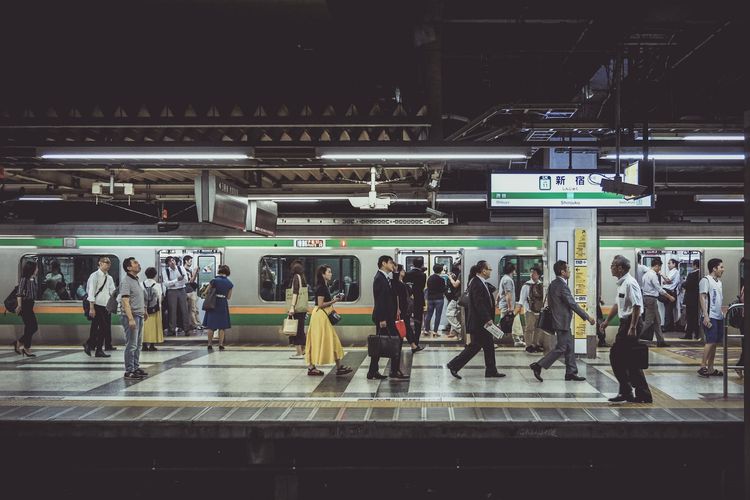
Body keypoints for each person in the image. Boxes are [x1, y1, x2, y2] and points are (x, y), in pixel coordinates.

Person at [529, 261, 595, 382]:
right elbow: (572, 303)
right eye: (568, 269)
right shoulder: (562, 285)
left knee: (569, 347)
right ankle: (538, 365)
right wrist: (587, 317)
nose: (570, 271)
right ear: (562, 272)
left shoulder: (554, 284)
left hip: (560, 320)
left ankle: (571, 372)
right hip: (562, 321)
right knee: (561, 347)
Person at [600, 255, 652, 403]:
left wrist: (633, 327)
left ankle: (633, 392)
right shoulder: (622, 284)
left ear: (620, 268)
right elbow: (618, 305)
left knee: (619, 357)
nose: (611, 268)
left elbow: (637, 306)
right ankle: (634, 392)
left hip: (631, 323)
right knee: (626, 359)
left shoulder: (630, 283)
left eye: (613, 265)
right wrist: (607, 322)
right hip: (626, 323)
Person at [446, 261, 504, 379]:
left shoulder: (480, 282)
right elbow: (479, 303)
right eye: (489, 269)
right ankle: (453, 365)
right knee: (475, 346)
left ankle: (491, 370)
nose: (490, 271)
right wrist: (487, 318)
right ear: (483, 270)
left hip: (481, 322)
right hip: (479, 323)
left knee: (488, 346)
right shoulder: (477, 283)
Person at [305, 265, 352, 376]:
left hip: (321, 316)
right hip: (320, 317)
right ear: (323, 274)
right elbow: (320, 304)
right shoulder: (321, 287)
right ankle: (314, 367)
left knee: (323, 340)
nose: (331, 274)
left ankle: (336, 366)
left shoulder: (324, 286)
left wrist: (333, 298)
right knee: (327, 340)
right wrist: (334, 300)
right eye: (329, 272)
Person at [368, 255, 408, 380]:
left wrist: (395, 271)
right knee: (395, 341)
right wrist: (382, 319)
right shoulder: (379, 279)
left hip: (388, 317)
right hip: (384, 318)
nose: (392, 265)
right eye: (391, 263)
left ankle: (373, 371)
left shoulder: (386, 278)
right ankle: (393, 371)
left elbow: (395, 291)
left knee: (380, 344)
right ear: (383, 263)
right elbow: (380, 300)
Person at [120, 257, 148, 380]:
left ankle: (135, 367)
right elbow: (125, 301)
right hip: (131, 316)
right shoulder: (126, 281)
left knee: (138, 344)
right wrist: (130, 318)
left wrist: (144, 310)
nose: (138, 264)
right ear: (129, 267)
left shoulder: (136, 280)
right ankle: (129, 370)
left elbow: (138, 297)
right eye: (135, 263)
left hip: (139, 315)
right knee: (131, 345)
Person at [83, 256, 116, 358]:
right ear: (100, 263)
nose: (108, 265)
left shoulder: (109, 277)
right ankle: (95, 347)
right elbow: (91, 292)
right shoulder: (94, 276)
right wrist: (92, 307)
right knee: (102, 327)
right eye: (105, 262)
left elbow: (112, 292)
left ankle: (92, 346)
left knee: (100, 328)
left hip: (105, 306)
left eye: (109, 263)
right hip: (96, 305)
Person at [698, 258, 725, 377]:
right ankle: (702, 366)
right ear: (714, 268)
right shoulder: (705, 280)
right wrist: (705, 315)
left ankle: (710, 368)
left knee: (714, 342)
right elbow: (702, 297)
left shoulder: (719, 282)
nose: (723, 270)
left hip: (718, 316)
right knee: (710, 341)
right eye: (721, 267)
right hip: (710, 316)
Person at [640, 257, 675, 347]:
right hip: (651, 299)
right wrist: (669, 296)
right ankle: (633, 337)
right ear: (656, 266)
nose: (660, 269)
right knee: (648, 321)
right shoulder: (652, 275)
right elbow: (659, 289)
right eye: (659, 267)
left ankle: (660, 341)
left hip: (648, 299)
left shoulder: (646, 275)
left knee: (657, 321)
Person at [392, 264, 424, 354]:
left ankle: (413, 345)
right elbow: (397, 297)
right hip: (401, 310)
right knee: (405, 327)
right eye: (403, 270)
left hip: (406, 309)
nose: (404, 272)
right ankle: (411, 346)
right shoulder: (397, 283)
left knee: (407, 327)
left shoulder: (402, 282)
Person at [12, 261, 39, 357]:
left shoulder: (33, 279)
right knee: (32, 327)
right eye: (36, 268)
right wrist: (19, 306)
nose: (37, 270)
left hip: (30, 305)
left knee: (30, 327)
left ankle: (22, 344)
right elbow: (19, 293)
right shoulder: (24, 279)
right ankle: (23, 345)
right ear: (31, 269)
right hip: (25, 305)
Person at [204, 265, 234, 351]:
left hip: (213, 304)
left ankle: (209, 344)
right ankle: (221, 344)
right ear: (227, 272)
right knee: (222, 327)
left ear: (219, 271)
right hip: (223, 304)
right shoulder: (230, 283)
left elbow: (206, 292)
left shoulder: (214, 281)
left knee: (211, 326)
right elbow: (228, 297)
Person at [517, 265, 544, 353]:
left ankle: (535, 344)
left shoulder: (542, 285)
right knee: (529, 328)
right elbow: (522, 299)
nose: (532, 274)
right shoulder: (526, 285)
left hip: (540, 311)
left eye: (534, 273)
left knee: (538, 328)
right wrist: (518, 309)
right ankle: (528, 345)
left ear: (538, 275)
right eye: (531, 272)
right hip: (529, 311)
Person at [162, 256, 191, 336]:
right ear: (167, 264)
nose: (173, 262)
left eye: (173, 260)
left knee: (184, 310)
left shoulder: (181, 268)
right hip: (171, 292)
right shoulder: (166, 271)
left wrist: (173, 283)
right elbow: (166, 284)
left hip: (182, 290)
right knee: (172, 311)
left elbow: (186, 280)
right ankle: (172, 330)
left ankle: (187, 329)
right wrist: (177, 280)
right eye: (170, 261)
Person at [498, 262, 525, 348]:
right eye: (514, 269)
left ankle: (516, 338)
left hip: (506, 305)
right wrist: (510, 308)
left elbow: (500, 293)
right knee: (509, 322)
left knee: (506, 322)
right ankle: (516, 339)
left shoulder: (504, 278)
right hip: (507, 306)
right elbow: (508, 294)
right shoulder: (508, 280)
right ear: (512, 270)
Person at [286, 260, 308, 360]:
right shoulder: (302, 277)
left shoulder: (296, 277)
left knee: (296, 330)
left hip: (296, 308)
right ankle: (303, 350)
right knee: (300, 330)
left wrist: (292, 306)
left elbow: (295, 292)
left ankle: (299, 352)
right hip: (302, 309)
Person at [404, 257, 427, 348]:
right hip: (419, 300)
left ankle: (411, 340)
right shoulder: (423, 275)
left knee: (407, 321)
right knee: (418, 322)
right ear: (421, 265)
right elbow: (421, 287)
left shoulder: (407, 274)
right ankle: (416, 342)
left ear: (413, 264)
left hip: (407, 301)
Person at [142, 267, 164, 351]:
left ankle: (144, 344)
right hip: (154, 309)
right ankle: (152, 345)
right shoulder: (157, 285)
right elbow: (160, 297)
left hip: (144, 309)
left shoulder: (141, 284)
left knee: (144, 326)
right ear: (155, 275)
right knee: (154, 327)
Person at [681, 259, 701, 340]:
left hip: (691, 299)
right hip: (697, 299)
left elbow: (687, 285)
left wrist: (683, 283)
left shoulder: (692, 274)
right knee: (696, 318)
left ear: (695, 265)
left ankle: (688, 335)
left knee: (690, 318)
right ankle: (697, 334)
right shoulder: (701, 274)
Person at [425, 264, 447, 337]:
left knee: (428, 315)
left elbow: (427, 288)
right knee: (438, 315)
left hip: (430, 299)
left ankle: (426, 330)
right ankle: (435, 331)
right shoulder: (442, 279)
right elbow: (444, 289)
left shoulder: (429, 278)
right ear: (441, 270)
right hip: (439, 299)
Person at [183, 255, 203, 331]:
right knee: (192, 309)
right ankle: (195, 324)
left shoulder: (190, 271)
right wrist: (194, 272)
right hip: (188, 291)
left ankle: (197, 323)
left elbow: (192, 280)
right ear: (186, 261)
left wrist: (195, 273)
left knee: (195, 308)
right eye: (190, 261)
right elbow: (190, 281)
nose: (191, 263)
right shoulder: (183, 270)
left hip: (191, 290)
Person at [662, 258, 681, 331]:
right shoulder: (673, 272)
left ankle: (666, 327)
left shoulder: (674, 271)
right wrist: (666, 281)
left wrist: (662, 274)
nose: (668, 265)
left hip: (670, 292)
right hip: (671, 291)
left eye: (669, 263)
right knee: (669, 310)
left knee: (668, 310)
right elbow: (668, 281)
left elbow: (668, 280)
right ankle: (671, 326)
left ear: (674, 264)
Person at [445, 263, 462, 339]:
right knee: (456, 315)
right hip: (458, 297)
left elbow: (455, 285)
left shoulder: (461, 274)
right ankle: (455, 332)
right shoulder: (460, 274)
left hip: (457, 298)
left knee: (449, 313)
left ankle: (460, 330)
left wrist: (449, 277)